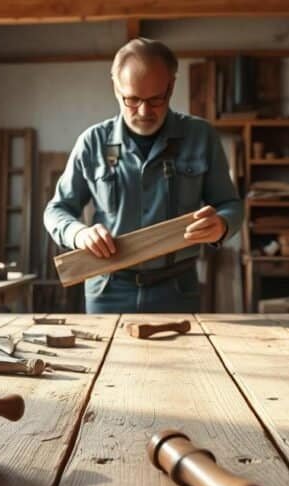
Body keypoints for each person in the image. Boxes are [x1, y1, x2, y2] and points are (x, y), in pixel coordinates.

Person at [43, 37, 243, 313]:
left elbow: (231, 205)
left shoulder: (200, 136)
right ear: (116, 88)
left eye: (155, 99)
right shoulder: (93, 142)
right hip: (108, 290)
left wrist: (221, 224)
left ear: (171, 86)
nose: (145, 111)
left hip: (177, 289)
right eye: (133, 100)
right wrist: (79, 234)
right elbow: (57, 210)